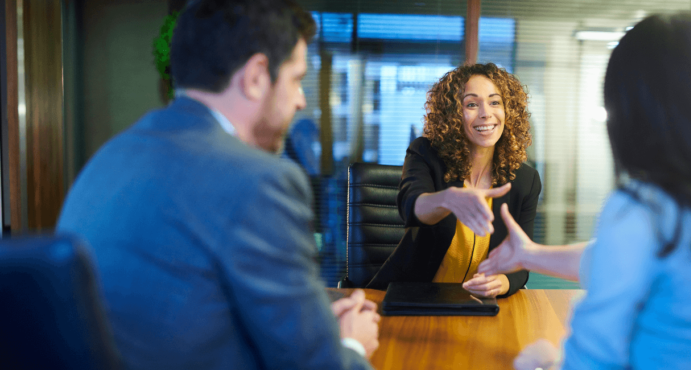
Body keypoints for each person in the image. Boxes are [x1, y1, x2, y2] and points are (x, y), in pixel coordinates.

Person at [56, 1, 379, 369]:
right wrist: (352, 344)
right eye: (296, 79)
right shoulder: (259, 180)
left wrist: (311, 324)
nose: (302, 100)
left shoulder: (109, 157)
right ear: (257, 76)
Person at [478, 13, 691, 370]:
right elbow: (628, 257)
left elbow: (590, 360)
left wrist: (543, 363)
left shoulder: (642, 208)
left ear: (629, 106)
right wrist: (531, 254)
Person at [367, 63, 541, 298]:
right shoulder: (425, 153)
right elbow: (411, 206)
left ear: (508, 110)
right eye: (471, 104)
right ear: (453, 115)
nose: (485, 113)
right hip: (412, 296)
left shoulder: (524, 180)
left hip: (477, 304)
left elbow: (523, 259)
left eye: (494, 102)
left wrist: (503, 281)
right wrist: (447, 200)